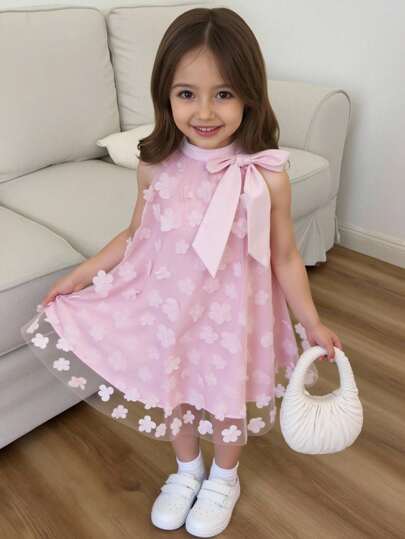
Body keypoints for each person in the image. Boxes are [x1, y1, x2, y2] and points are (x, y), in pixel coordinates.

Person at [20, 6, 343, 538]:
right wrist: (83, 273)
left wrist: (311, 321)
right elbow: (136, 233)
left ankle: (223, 478)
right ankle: (188, 468)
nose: (205, 111)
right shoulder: (155, 164)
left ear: (249, 95)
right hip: (169, 309)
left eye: (224, 93)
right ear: (165, 95)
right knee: (178, 390)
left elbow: (285, 255)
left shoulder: (265, 175)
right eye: (187, 93)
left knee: (227, 395)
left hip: (233, 317)